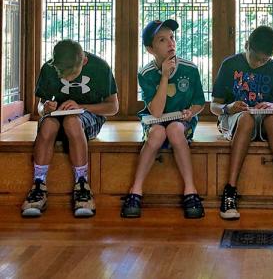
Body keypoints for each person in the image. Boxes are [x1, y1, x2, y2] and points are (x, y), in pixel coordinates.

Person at [210, 25, 273, 221]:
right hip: (236, 117)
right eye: (256, 57)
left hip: (264, 120)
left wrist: (272, 106)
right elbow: (214, 106)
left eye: (264, 59)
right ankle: (230, 191)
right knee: (246, 119)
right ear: (246, 46)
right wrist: (229, 107)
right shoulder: (229, 65)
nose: (260, 62)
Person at [21, 39, 119, 218]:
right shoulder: (49, 68)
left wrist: (81, 106)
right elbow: (40, 107)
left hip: (87, 118)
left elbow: (113, 107)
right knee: (49, 123)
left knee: (72, 121)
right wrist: (46, 109)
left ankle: (82, 186)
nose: (66, 79)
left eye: (71, 74)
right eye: (62, 75)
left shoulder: (100, 67)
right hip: (56, 118)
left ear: (83, 61)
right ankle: (38, 186)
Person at [121, 19, 205, 219]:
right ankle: (135, 191)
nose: (170, 43)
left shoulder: (190, 69)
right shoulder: (146, 74)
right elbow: (156, 112)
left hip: (181, 121)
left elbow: (199, 103)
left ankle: (190, 191)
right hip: (155, 120)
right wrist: (165, 77)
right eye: (162, 40)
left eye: (172, 38)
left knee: (175, 130)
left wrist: (190, 112)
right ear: (150, 49)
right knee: (158, 133)